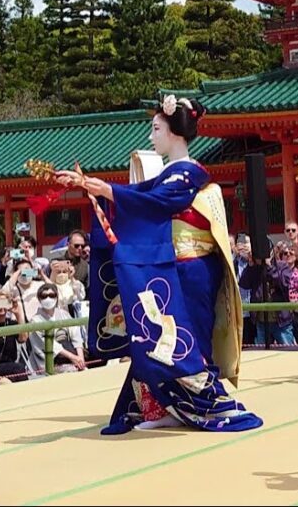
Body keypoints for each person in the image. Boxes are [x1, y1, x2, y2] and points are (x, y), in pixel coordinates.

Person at [57, 94, 262, 434]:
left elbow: (153, 202)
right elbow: (139, 197)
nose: (152, 137)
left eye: (156, 129)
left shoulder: (188, 174)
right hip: (170, 265)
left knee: (188, 340)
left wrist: (107, 190)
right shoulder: (171, 173)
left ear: (174, 134)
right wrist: (90, 186)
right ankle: (163, 407)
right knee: (153, 337)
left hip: (193, 266)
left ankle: (209, 406)